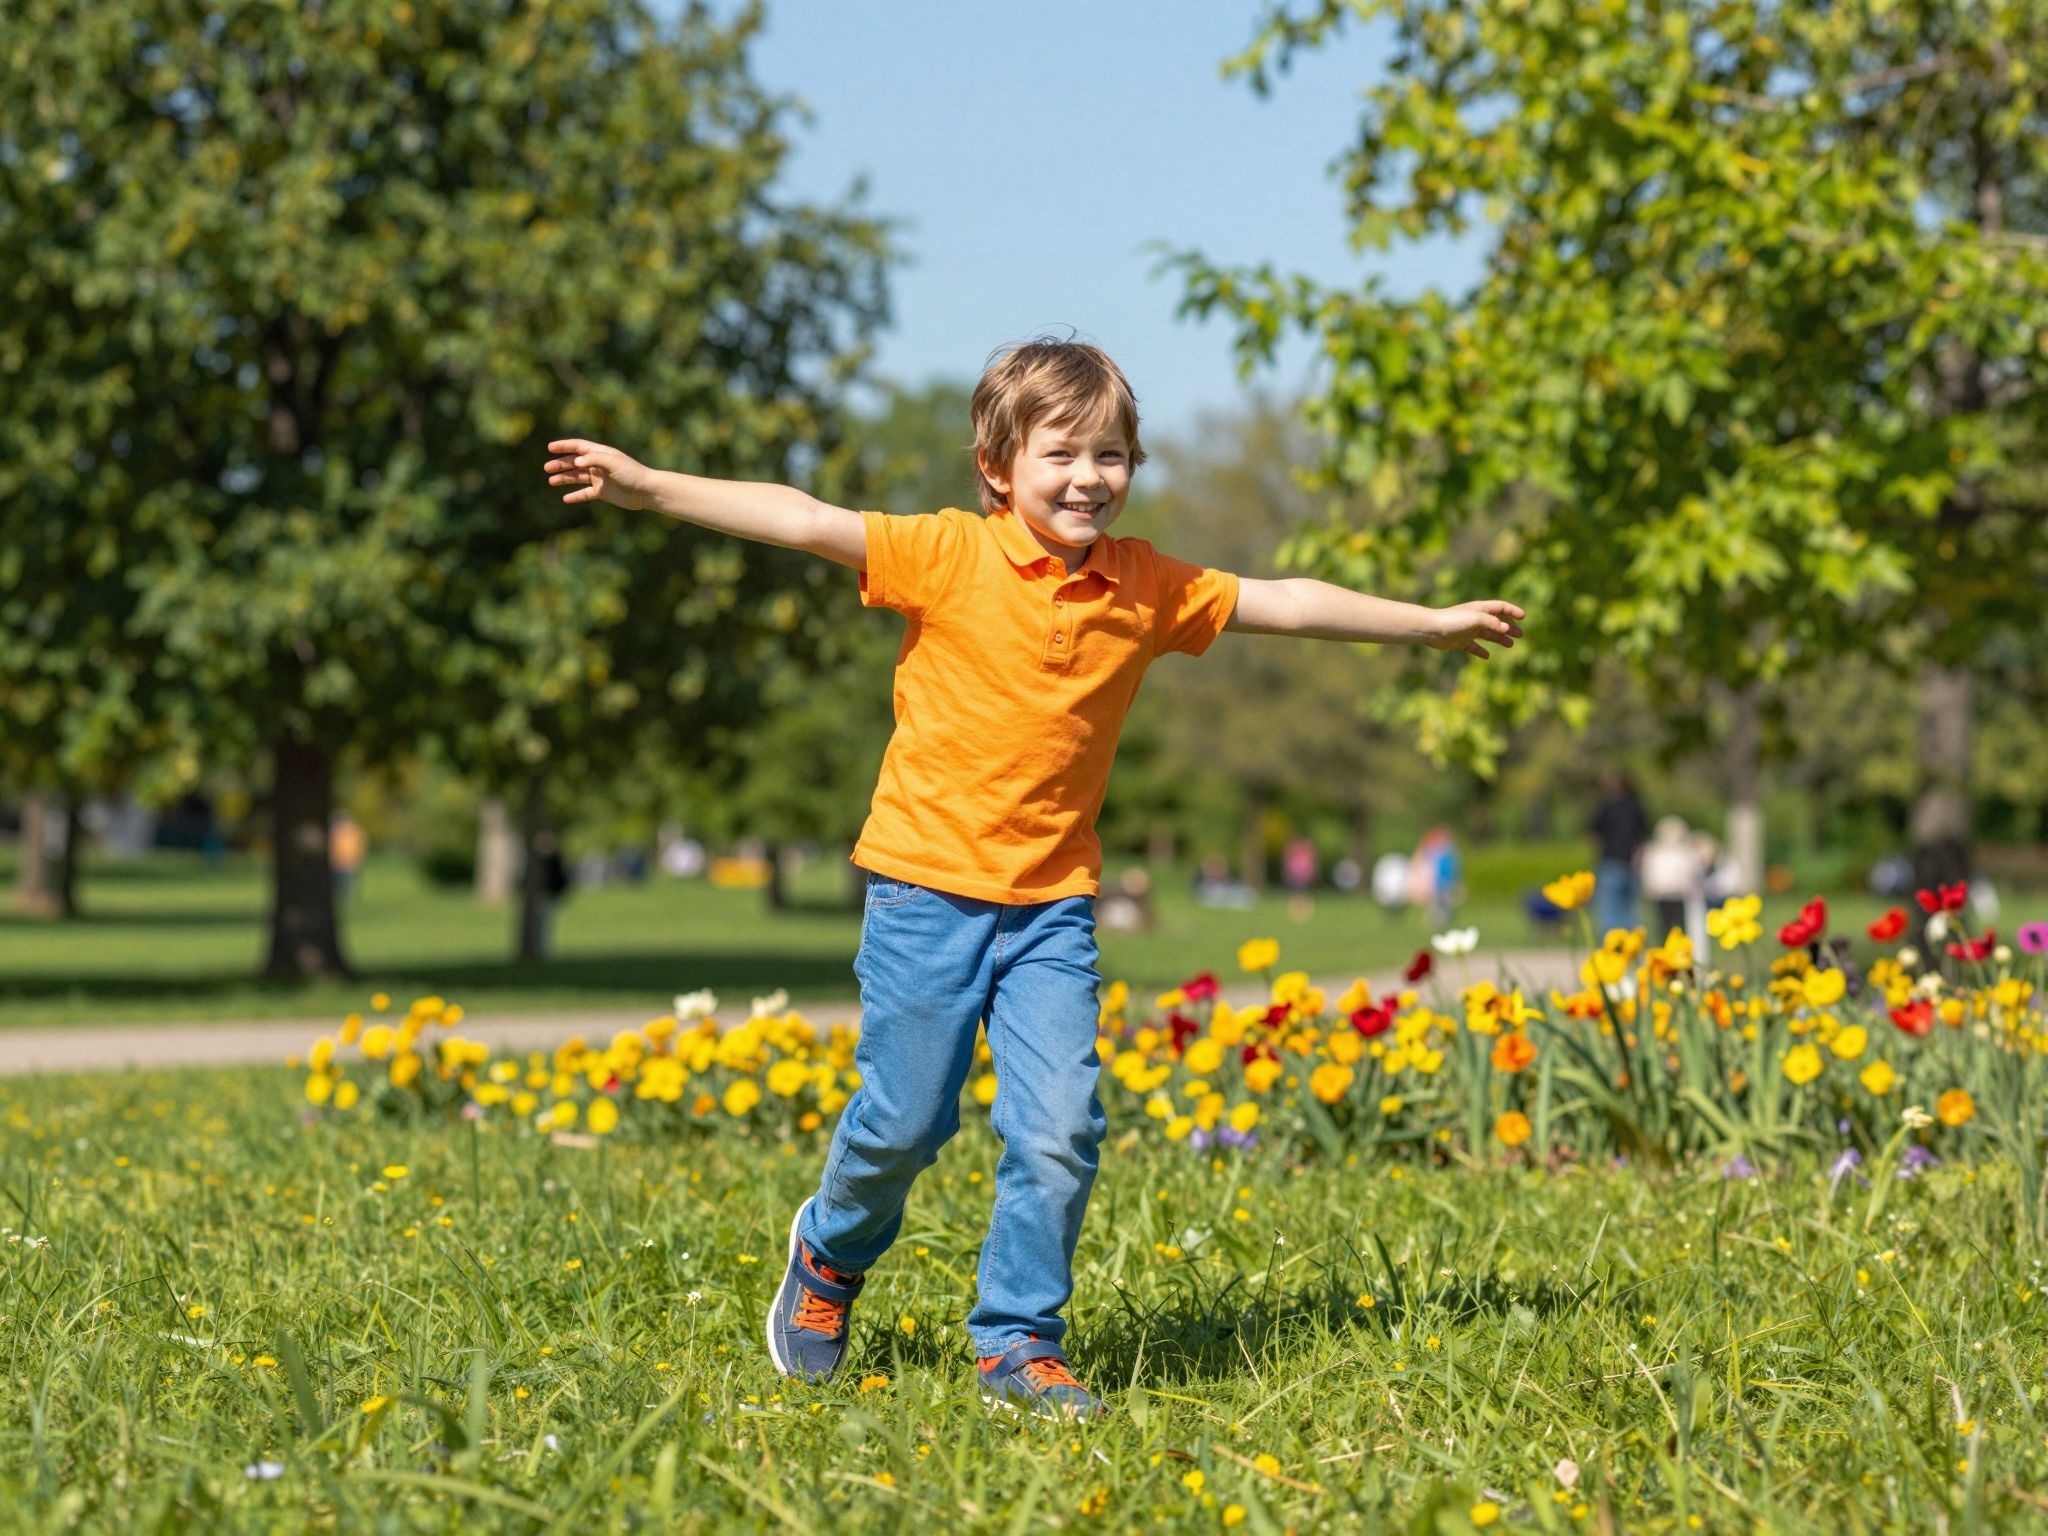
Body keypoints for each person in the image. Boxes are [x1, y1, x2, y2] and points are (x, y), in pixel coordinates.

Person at [541, 336, 1526, 1419]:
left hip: (1051, 907)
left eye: (1110, 454)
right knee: (905, 1122)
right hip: (923, 893)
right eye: (1061, 452)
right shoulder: (945, 555)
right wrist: (647, 487)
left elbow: (1282, 600)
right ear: (996, 466)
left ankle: (1018, 1343)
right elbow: (804, 516)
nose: (1087, 476)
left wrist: (1425, 624)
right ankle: (827, 1258)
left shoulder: (1145, 585)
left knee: (1059, 1127)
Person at [1588, 771, 1649, 936]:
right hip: (1630, 863)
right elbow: (1643, 836)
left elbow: (1593, 832)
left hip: (1611, 862)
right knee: (1629, 910)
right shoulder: (1636, 806)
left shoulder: (1606, 807)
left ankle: (1614, 946)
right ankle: (1630, 945)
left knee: (1610, 910)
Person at [1640, 816, 1704, 942]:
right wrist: (1650, 886)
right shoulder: (1656, 852)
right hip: (1662, 894)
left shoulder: (1685, 852)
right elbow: (1649, 870)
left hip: (1679, 894)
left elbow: (1693, 870)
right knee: (1663, 926)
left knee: (1679, 925)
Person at [329, 812, 366, 904]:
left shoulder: (355, 831)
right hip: (338, 862)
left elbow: (359, 845)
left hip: (350, 862)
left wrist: (358, 858)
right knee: (338, 882)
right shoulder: (335, 831)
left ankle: (345, 899)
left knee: (347, 882)